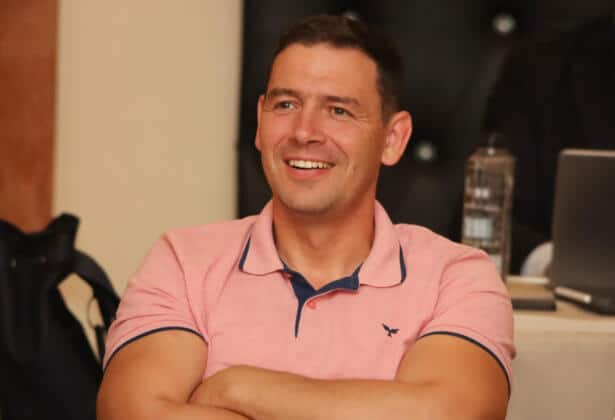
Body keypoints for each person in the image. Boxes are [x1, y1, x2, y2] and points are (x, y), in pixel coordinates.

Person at [97, 15, 514, 420]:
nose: (303, 131)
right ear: (260, 122)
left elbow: (451, 412)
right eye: (286, 104)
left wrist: (235, 388)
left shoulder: (457, 277)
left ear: (393, 138)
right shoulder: (182, 262)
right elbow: (130, 413)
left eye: (338, 111)